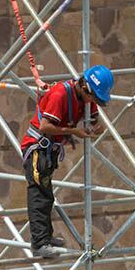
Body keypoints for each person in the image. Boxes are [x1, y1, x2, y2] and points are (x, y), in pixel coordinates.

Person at [19, 65, 113, 258]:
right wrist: (73, 132)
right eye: (92, 96)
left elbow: (96, 121)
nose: (92, 101)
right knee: (39, 194)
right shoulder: (60, 94)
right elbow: (45, 126)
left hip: (50, 151)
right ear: (84, 86)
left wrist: (96, 128)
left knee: (47, 195)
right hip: (38, 148)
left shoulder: (87, 99)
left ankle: (46, 236)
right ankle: (39, 242)